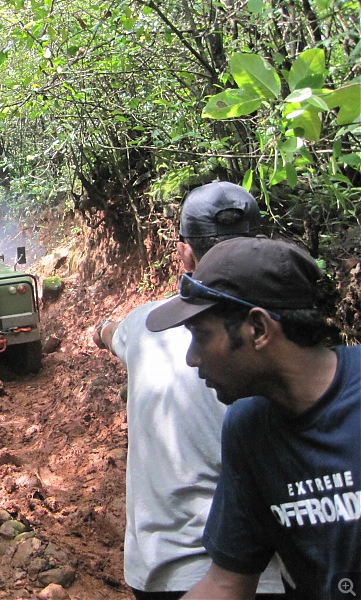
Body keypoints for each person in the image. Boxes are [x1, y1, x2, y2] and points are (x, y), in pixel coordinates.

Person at [93, 182, 285, 599]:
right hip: (275, 568)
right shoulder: (288, 334)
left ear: (184, 252)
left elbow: (115, 334)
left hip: (165, 568)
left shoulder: (147, 324)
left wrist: (100, 330)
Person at [145, 236, 360, 600]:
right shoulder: (248, 427)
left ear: (258, 330)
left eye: (201, 336)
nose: (191, 358)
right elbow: (227, 583)